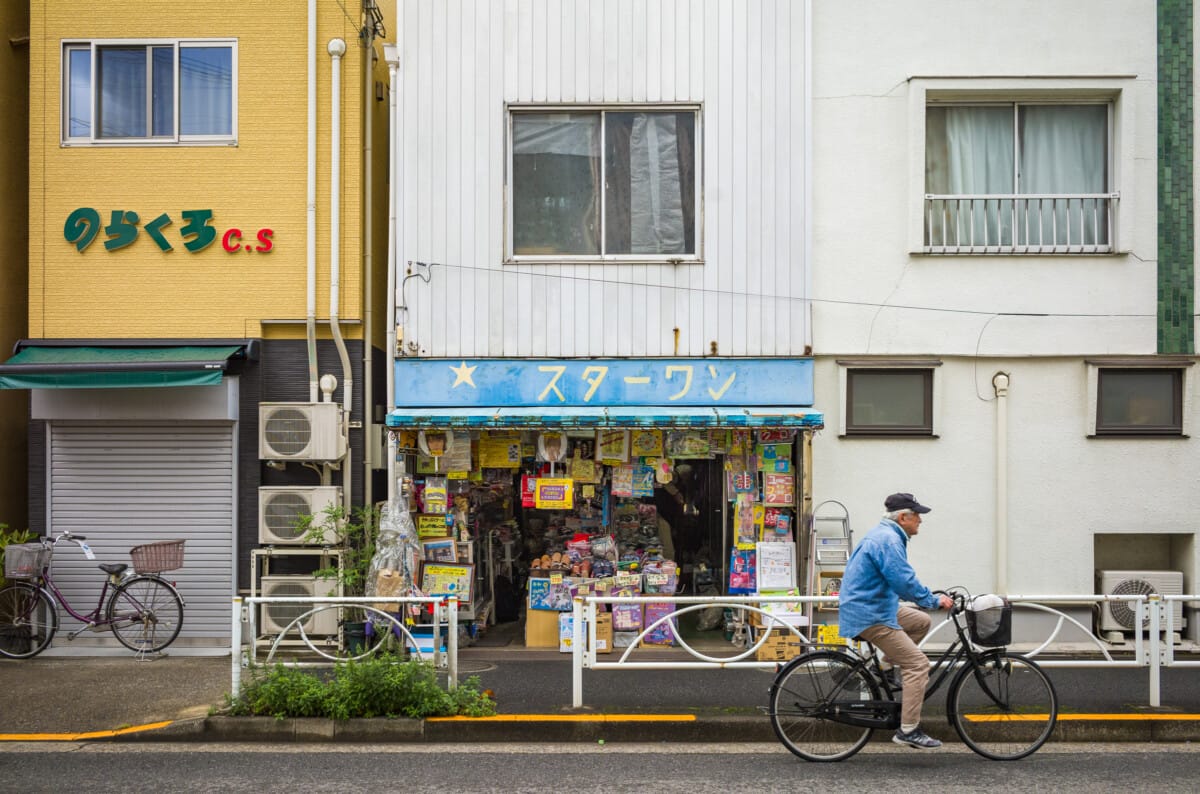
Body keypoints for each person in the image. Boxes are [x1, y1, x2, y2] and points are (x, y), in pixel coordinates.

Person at [837, 492, 953, 750]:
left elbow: (900, 581)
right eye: (917, 516)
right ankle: (908, 730)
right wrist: (933, 600)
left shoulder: (885, 534)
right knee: (918, 665)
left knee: (920, 621)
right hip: (870, 613)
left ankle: (886, 667)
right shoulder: (889, 540)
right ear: (903, 517)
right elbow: (902, 580)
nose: (920, 521)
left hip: (874, 606)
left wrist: (927, 600)